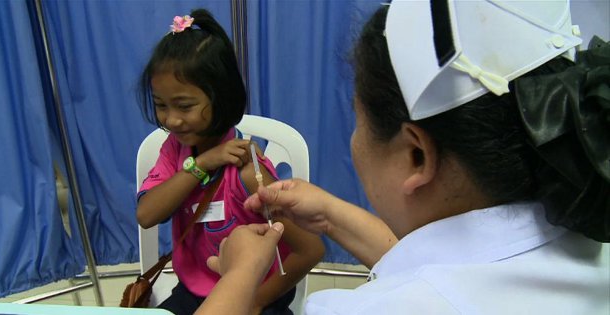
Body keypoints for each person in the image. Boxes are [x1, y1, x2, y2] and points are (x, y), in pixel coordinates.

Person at [237, 1, 610, 314]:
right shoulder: (588, 244)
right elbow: (454, 269)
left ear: (416, 155)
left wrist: (239, 277)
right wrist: (331, 216)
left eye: (357, 120)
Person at [136, 9, 324, 315]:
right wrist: (202, 165)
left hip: (257, 295)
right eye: (161, 105)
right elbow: (146, 214)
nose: (171, 119)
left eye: (184, 106)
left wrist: (259, 300)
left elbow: (310, 250)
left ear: (221, 96)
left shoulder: (249, 173)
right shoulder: (174, 150)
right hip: (195, 292)